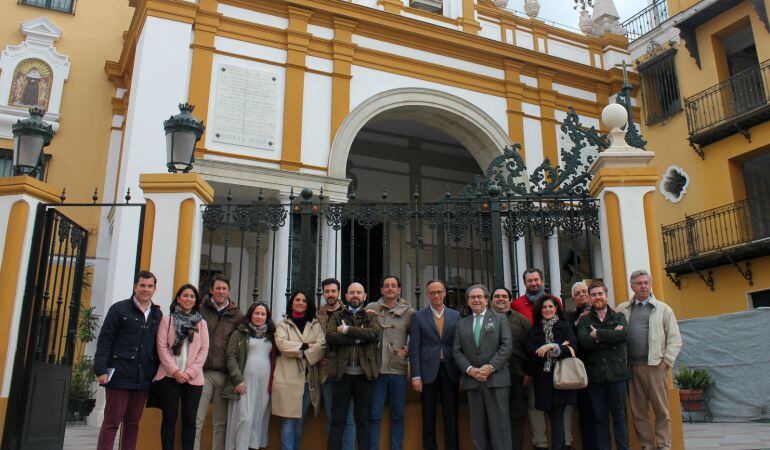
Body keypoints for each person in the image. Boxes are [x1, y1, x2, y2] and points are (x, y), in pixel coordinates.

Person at [94, 271, 163, 450]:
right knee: (112, 422)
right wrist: (100, 369)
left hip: (143, 378)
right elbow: (105, 339)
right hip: (119, 375)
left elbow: (158, 346)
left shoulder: (157, 315)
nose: (146, 289)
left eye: (150, 286)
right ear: (135, 287)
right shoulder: (119, 309)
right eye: (142, 285)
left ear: (155, 288)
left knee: (132, 424)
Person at [616, 270, 682, 450]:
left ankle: (664, 446)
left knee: (662, 412)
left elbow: (675, 340)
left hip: (655, 368)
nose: (643, 286)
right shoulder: (622, 309)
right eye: (639, 283)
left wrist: (665, 363)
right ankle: (647, 446)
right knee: (638, 413)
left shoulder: (663, 309)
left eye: (646, 282)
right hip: (631, 368)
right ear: (632, 286)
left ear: (650, 284)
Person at [511, 268, 569, 450]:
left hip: (560, 369)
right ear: (524, 283)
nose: (534, 283)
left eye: (537, 280)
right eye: (530, 281)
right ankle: (540, 444)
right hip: (532, 366)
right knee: (535, 407)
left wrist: (554, 348)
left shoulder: (555, 301)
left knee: (561, 410)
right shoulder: (516, 305)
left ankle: (564, 443)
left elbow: (567, 338)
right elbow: (528, 345)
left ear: (542, 281)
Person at [453, 284, 513, 450]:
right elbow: (457, 352)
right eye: (473, 297)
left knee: (500, 427)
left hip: (496, 380)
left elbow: (506, 346)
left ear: (487, 300)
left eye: (480, 297)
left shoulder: (500, 319)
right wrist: (471, 370)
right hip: (473, 382)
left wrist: (490, 367)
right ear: (468, 301)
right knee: (478, 429)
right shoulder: (462, 324)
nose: (476, 300)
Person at [325, 282, 381, 450]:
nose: (355, 295)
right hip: (341, 375)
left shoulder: (371, 316)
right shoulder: (336, 316)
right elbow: (331, 337)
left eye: (359, 292)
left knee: (363, 420)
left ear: (364, 296)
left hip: (364, 375)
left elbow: (373, 334)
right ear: (346, 296)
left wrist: (347, 330)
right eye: (352, 293)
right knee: (337, 421)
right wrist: (359, 337)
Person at [155, 284, 210, 450]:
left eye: (192, 296)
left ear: (196, 301)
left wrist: (188, 373)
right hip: (169, 377)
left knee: (189, 420)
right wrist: (175, 371)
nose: (188, 299)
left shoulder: (201, 324)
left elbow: (204, 349)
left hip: (192, 379)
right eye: (185, 296)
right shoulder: (168, 320)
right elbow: (162, 347)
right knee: (169, 418)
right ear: (178, 298)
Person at [577, 281, 630, 450]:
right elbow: (585, 342)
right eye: (594, 295)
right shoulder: (585, 319)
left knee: (620, 418)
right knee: (600, 419)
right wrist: (611, 337)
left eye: (600, 294)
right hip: (595, 377)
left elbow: (623, 335)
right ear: (590, 298)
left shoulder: (618, 316)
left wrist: (598, 334)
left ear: (606, 296)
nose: (597, 297)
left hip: (617, 375)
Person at [409, 280, 460, 450]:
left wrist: (462, 374)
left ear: (445, 292)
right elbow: (414, 347)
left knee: (451, 415)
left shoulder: (455, 315)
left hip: (450, 370)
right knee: (428, 416)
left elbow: (459, 346)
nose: (436, 295)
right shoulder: (418, 316)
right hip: (427, 372)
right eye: (432, 292)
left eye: (439, 291)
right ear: (427, 294)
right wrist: (416, 375)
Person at [195, 275, 244, 450]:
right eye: (217, 288)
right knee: (197, 419)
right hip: (203, 373)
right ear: (211, 290)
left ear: (228, 291)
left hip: (224, 375)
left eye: (224, 289)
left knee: (220, 422)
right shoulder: (200, 310)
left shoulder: (237, 314)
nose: (221, 292)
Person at [273, 290, 326, 450]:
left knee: (299, 420)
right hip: (287, 379)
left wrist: (300, 350)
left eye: (303, 300)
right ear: (292, 303)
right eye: (297, 299)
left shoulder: (315, 324)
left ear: (307, 304)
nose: (300, 302)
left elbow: (321, 346)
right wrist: (305, 346)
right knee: (288, 420)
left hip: (307, 380)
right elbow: (282, 345)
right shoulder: (283, 324)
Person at [366, 275, 414, 450]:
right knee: (374, 415)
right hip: (377, 371)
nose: (390, 289)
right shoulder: (371, 308)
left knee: (398, 416)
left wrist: (406, 351)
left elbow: (416, 338)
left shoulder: (409, 312)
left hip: (398, 371)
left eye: (394, 286)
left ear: (399, 289)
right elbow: (362, 332)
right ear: (381, 289)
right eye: (386, 285)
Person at [526, 295, 578, 450]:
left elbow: (573, 349)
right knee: (551, 417)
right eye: (544, 307)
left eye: (551, 306)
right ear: (539, 310)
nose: (548, 309)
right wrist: (560, 347)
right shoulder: (534, 329)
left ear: (556, 309)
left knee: (558, 419)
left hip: (562, 378)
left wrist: (551, 347)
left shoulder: (565, 326)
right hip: (543, 380)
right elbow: (532, 353)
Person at [223, 301, 276, 450]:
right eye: (256, 313)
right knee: (244, 418)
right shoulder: (239, 333)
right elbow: (231, 356)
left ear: (267, 317)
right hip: (243, 383)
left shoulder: (272, 335)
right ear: (250, 315)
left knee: (258, 419)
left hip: (263, 385)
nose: (259, 316)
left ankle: (252, 447)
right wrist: (237, 379)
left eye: (263, 314)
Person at [317, 278, 356, 450]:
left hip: (346, 370)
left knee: (348, 418)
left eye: (333, 291)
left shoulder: (348, 313)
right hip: (326, 371)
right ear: (323, 293)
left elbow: (352, 339)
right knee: (332, 417)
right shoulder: (318, 315)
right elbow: (313, 340)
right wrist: (319, 355)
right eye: (327, 291)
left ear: (339, 292)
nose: (330, 294)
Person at [491, 287, 531, 450]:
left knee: (516, 414)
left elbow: (531, 348)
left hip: (517, 374)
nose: (501, 299)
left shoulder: (521, 320)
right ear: (491, 300)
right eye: (497, 296)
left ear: (509, 299)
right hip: (492, 376)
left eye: (504, 296)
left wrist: (528, 373)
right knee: (495, 417)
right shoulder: (484, 319)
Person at [567, 281, 597, 450]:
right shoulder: (570, 317)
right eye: (577, 293)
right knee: (585, 413)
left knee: (601, 413)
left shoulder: (602, 311)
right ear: (573, 298)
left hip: (600, 369)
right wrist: (578, 324)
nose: (581, 295)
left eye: (584, 291)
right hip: (580, 371)